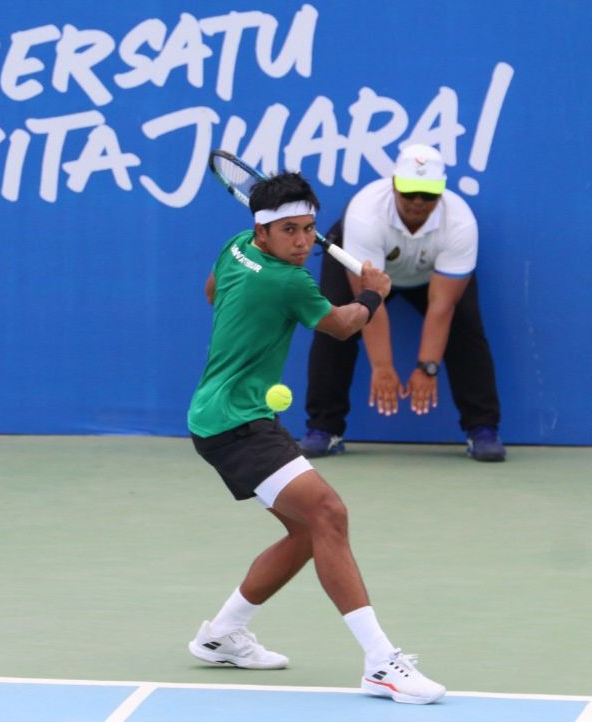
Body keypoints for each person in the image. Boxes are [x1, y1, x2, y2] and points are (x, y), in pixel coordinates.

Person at [185, 171, 445, 705]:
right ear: (263, 233)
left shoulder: (236, 248)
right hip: (236, 423)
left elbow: (213, 291)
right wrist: (373, 296)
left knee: (308, 532)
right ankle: (380, 663)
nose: (303, 242)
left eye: (308, 229)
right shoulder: (287, 282)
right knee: (329, 513)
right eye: (290, 232)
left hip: (225, 414)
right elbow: (343, 324)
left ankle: (221, 634)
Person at [300, 144, 506, 462]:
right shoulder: (365, 215)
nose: (418, 203)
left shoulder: (460, 223)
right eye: (410, 192)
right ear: (394, 184)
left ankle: (482, 429)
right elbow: (368, 301)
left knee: (466, 328)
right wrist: (382, 367)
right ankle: (325, 428)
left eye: (427, 193)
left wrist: (427, 367)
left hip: (431, 275)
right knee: (336, 324)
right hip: (367, 273)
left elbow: (441, 307)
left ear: (441, 191)